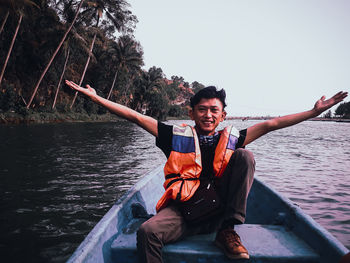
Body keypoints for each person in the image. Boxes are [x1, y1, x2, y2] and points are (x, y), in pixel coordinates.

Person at [65, 80, 347, 262]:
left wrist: (313, 112)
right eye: (202, 109)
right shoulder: (173, 135)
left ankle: (227, 230)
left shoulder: (234, 137)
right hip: (185, 210)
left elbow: (273, 123)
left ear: (223, 115)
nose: (208, 115)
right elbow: (135, 116)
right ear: (192, 113)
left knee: (244, 157)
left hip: (220, 210)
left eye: (214, 110)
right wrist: (97, 98)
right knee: (147, 231)